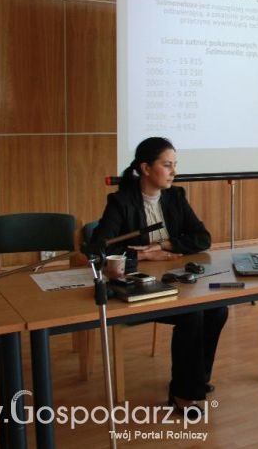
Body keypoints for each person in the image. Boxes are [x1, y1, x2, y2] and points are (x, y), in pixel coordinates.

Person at [90, 137, 227, 415]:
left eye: (175, 165)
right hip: (137, 287)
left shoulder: (176, 197)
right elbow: (98, 248)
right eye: (167, 165)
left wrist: (165, 245)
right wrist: (141, 256)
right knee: (192, 315)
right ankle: (182, 394)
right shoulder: (121, 201)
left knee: (217, 309)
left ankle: (196, 379)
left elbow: (203, 238)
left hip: (173, 281)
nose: (173, 172)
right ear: (146, 168)